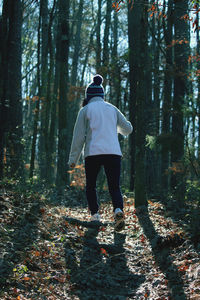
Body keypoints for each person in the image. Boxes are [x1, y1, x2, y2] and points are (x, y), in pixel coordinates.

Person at [68, 74, 133, 231]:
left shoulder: (85, 110)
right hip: (113, 152)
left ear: (88, 96)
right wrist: (113, 127)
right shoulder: (112, 109)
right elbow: (128, 129)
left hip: (93, 153)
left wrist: (73, 159)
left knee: (91, 186)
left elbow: (78, 137)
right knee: (114, 186)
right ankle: (118, 211)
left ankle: (95, 215)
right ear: (102, 95)